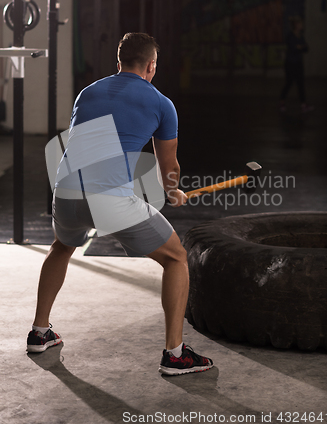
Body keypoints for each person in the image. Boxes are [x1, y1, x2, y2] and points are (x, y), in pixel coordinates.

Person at [27, 32, 213, 376]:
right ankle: (175, 354)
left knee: (61, 247)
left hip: (64, 192)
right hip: (109, 199)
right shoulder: (161, 103)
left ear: (119, 63)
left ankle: (40, 332)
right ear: (151, 66)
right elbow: (168, 167)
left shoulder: (88, 92)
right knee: (175, 257)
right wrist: (173, 193)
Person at [280, 16, 313, 114]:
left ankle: (303, 105)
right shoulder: (290, 36)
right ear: (296, 25)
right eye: (300, 24)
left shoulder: (301, 36)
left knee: (301, 84)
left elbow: (306, 49)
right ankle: (282, 102)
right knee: (289, 83)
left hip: (298, 63)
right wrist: (300, 47)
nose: (302, 25)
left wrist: (300, 47)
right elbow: (294, 49)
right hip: (290, 63)